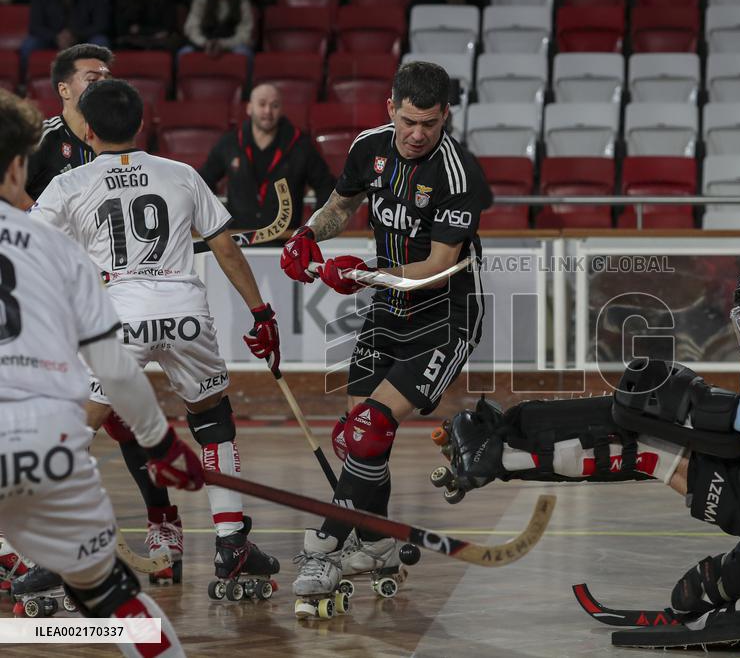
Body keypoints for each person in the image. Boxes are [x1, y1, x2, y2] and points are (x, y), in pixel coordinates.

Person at [432, 256, 740, 652]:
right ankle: (502, 443)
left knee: (641, 433)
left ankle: (495, 453)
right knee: (688, 594)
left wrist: (711, 407)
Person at [31, 79, 282, 596]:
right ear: (142, 123)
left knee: (79, 430)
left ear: (87, 129)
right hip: (185, 311)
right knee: (214, 421)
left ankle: (56, 553)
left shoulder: (70, 184)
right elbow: (227, 248)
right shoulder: (182, 174)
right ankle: (231, 542)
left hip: (120, 316)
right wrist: (261, 312)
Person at [280, 60, 492, 613]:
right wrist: (306, 235)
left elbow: (441, 264)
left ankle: (323, 544)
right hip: (389, 306)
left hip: (446, 312)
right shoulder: (368, 148)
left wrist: (359, 273)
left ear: (446, 115)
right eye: (408, 121)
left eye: (430, 122)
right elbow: (341, 206)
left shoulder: (458, 173)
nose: (418, 133)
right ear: (389, 110)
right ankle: (375, 544)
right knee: (358, 439)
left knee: (372, 426)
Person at [0, 87, 196, 658]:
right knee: (114, 602)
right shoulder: (59, 249)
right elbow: (113, 367)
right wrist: (161, 444)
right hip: (50, 445)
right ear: (18, 164)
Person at [199, 83, 336, 232]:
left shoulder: (300, 145)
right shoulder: (230, 143)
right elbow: (203, 182)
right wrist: (215, 225)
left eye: (274, 105)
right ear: (249, 108)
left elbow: (326, 186)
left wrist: (312, 228)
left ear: (281, 109)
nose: (268, 111)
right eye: (262, 104)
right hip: (238, 243)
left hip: (286, 245)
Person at [22, 43, 112, 204]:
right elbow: (7, 192)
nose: (104, 86)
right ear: (64, 90)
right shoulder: (41, 137)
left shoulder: (115, 142)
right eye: (92, 80)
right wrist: (45, 222)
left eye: (108, 79)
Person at [20, 0, 111, 67]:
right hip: (52, 39)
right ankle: (23, 85)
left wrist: (75, 35)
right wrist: (56, 37)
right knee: (29, 45)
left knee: (100, 42)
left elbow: (101, 25)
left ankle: (100, 83)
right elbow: (35, 26)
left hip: (83, 38)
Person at [180, 0, 255, 61]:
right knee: (184, 53)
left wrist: (223, 44)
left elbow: (245, 33)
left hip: (232, 43)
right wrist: (204, 43)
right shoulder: (201, 0)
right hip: (205, 42)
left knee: (244, 53)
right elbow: (191, 28)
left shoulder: (242, 1)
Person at [115, 0, 184, 53]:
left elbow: (167, 29)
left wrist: (140, 30)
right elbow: (124, 28)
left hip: (160, 42)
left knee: (169, 44)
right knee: (122, 45)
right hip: (135, 41)